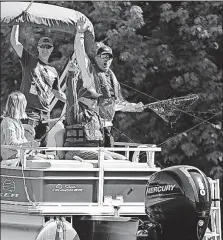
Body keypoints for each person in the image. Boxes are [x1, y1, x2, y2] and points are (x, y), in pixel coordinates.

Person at [74, 17, 144, 147]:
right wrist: (80, 34)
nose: (107, 60)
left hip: (107, 128)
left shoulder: (111, 77)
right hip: (90, 128)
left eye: (109, 57)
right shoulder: (89, 72)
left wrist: (134, 107)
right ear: (96, 58)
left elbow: (116, 103)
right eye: (103, 57)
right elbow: (80, 55)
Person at [10, 25, 66, 147]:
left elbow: (57, 93)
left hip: (46, 114)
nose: (45, 49)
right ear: (38, 48)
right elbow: (14, 42)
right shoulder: (29, 61)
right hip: (29, 111)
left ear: (52, 49)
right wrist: (17, 23)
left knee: (42, 147)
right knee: (26, 145)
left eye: (48, 47)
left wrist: (74, 100)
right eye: (43, 46)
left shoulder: (53, 71)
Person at [1, 91, 39, 164]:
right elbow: (12, 144)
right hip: (13, 156)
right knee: (41, 160)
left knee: (48, 157)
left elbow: (22, 140)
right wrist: (30, 144)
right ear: (19, 106)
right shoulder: (8, 122)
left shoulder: (17, 121)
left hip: (21, 154)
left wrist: (32, 147)